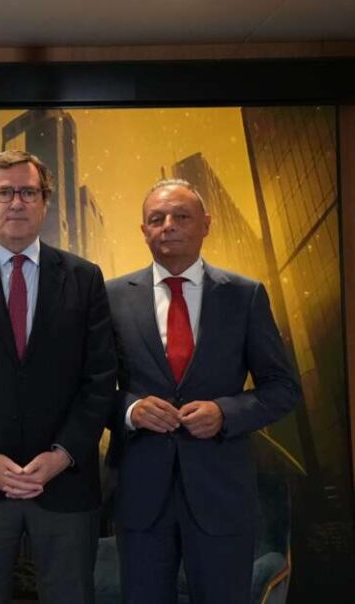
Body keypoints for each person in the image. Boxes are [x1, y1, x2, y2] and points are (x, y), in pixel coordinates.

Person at [0, 150, 117, 604]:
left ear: (44, 203)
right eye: (5, 192)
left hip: (65, 486)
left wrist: (62, 455)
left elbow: (99, 379)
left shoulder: (84, 278)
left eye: (28, 192)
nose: (16, 202)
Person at [106, 179, 301, 604]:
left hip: (221, 492)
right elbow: (90, 387)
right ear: (143, 231)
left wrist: (225, 413)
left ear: (206, 224)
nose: (168, 226)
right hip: (141, 494)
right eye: (156, 219)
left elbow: (282, 387)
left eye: (182, 216)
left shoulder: (245, 295)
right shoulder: (110, 296)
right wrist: (131, 409)